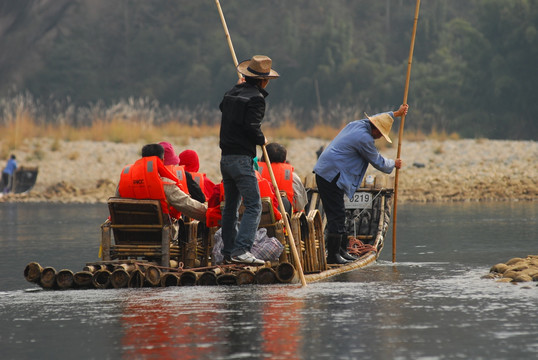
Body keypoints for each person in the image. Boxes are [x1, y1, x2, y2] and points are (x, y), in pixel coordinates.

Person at [313, 104, 409, 264]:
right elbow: (378, 161)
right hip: (331, 175)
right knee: (336, 214)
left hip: (328, 171)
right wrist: (394, 163)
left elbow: (379, 116)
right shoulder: (364, 138)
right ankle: (333, 255)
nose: (379, 138)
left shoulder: (357, 124)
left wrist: (396, 114)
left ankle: (342, 251)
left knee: (339, 213)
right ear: (376, 130)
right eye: (381, 134)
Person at [219, 55, 279, 265]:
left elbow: (222, 108)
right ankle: (241, 250)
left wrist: (236, 88)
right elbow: (252, 127)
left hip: (225, 158)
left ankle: (228, 252)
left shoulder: (231, 93)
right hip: (242, 159)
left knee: (231, 207)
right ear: (264, 80)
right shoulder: (257, 99)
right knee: (254, 205)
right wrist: (262, 139)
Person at [116, 144, 207, 225]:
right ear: (162, 161)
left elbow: (116, 204)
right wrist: (211, 213)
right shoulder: (165, 185)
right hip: (158, 236)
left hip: (126, 233)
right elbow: (188, 205)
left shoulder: (124, 181)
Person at [258, 142, 308, 214]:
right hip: (282, 218)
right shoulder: (293, 177)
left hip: (256, 215)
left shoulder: (254, 173)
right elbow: (300, 206)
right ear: (284, 161)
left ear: (262, 158)